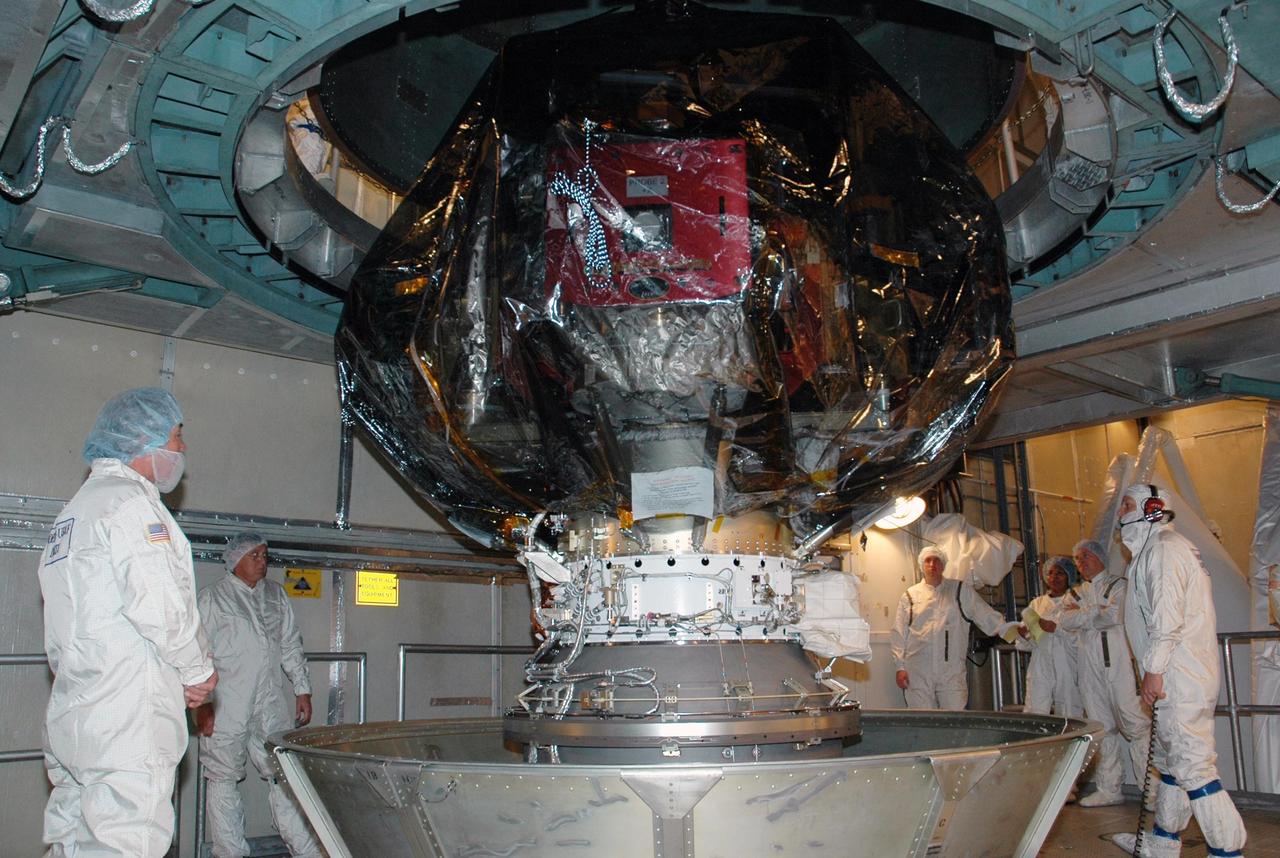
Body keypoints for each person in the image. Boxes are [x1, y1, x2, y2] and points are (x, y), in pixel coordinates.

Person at [39, 387, 217, 857]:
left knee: (72, 841)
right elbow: (161, 604)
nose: (180, 450)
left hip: (77, 712)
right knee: (126, 843)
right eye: (176, 437)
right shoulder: (131, 506)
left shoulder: (74, 513)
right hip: (126, 720)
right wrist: (198, 673)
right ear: (142, 440)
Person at [1110, 484, 1246, 858]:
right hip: (1181, 674)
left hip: (1177, 677)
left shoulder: (1164, 550)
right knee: (1174, 761)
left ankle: (1228, 851)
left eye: (1126, 506)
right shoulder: (1160, 550)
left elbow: (1166, 619)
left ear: (1151, 510)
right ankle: (1164, 840)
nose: (1120, 513)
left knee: (1194, 767)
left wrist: (1153, 672)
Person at [194, 532, 323, 858]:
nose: (263, 562)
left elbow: (291, 643)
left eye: (265, 555)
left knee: (282, 772)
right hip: (227, 701)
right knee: (223, 777)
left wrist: (302, 689)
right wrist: (203, 705)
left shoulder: (276, 597)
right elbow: (197, 651)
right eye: (255, 556)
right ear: (236, 560)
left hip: (269, 699)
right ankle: (230, 852)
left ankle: (304, 849)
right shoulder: (214, 598)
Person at [1057, 538, 1152, 808]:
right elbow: (1064, 620)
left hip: (1119, 666)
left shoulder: (1118, 585)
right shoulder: (1074, 594)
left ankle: (1152, 790)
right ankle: (1109, 788)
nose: (1081, 562)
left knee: (1136, 724)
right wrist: (1094, 613)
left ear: (1100, 557)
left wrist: (1086, 615)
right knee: (1101, 727)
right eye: (1077, 559)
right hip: (1090, 669)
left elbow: (1114, 615)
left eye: (1085, 556)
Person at [890, 546, 1016, 709]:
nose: (932, 565)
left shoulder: (959, 591)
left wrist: (1011, 631)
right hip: (918, 670)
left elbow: (985, 614)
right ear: (922, 565)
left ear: (943, 565)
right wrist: (900, 667)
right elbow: (899, 633)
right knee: (922, 722)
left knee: (954, 718)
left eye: (937, 560)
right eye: (928, 560)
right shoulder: (910, 595)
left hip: (950, 671)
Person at [1018, 556, 1082, 718]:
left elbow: (1082, 635)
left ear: (1070, 576)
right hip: (1040, 663)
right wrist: (1024, 635)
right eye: (1051, 573)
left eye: (1060, 573)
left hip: (1066, 663)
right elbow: (1028, 645)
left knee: (1069, 710)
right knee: (1035, 709)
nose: (1054, 577)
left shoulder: (1076, 601)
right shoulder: (1037, 604)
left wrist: (1056, 629)